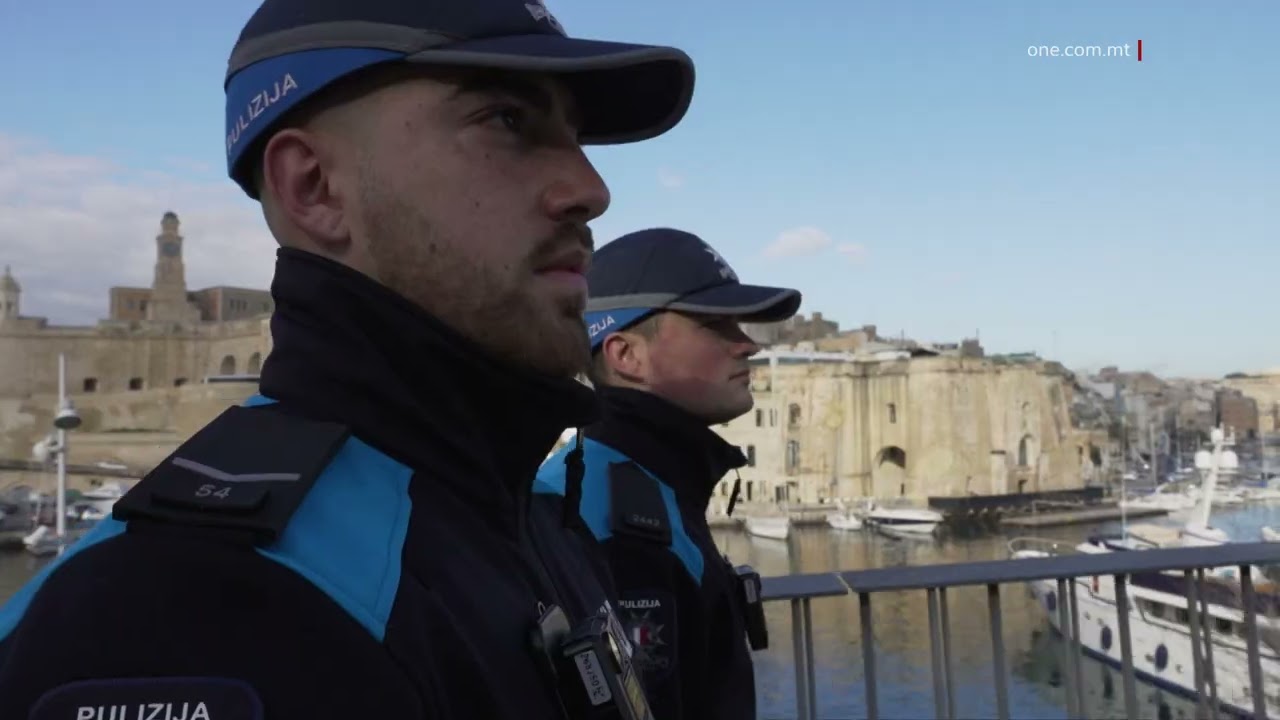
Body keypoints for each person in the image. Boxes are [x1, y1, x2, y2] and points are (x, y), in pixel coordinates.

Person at [0, 0, 696, 717]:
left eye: (575, 136)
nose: (591, 190)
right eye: (507, 120)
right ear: (314, 188)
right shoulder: (172, 608)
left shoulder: (534, 521)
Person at [536, 227, 802, 720]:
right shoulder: (610, 519)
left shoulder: (632, 485)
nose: (747, 345)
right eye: (715, 325)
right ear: (626, 355)